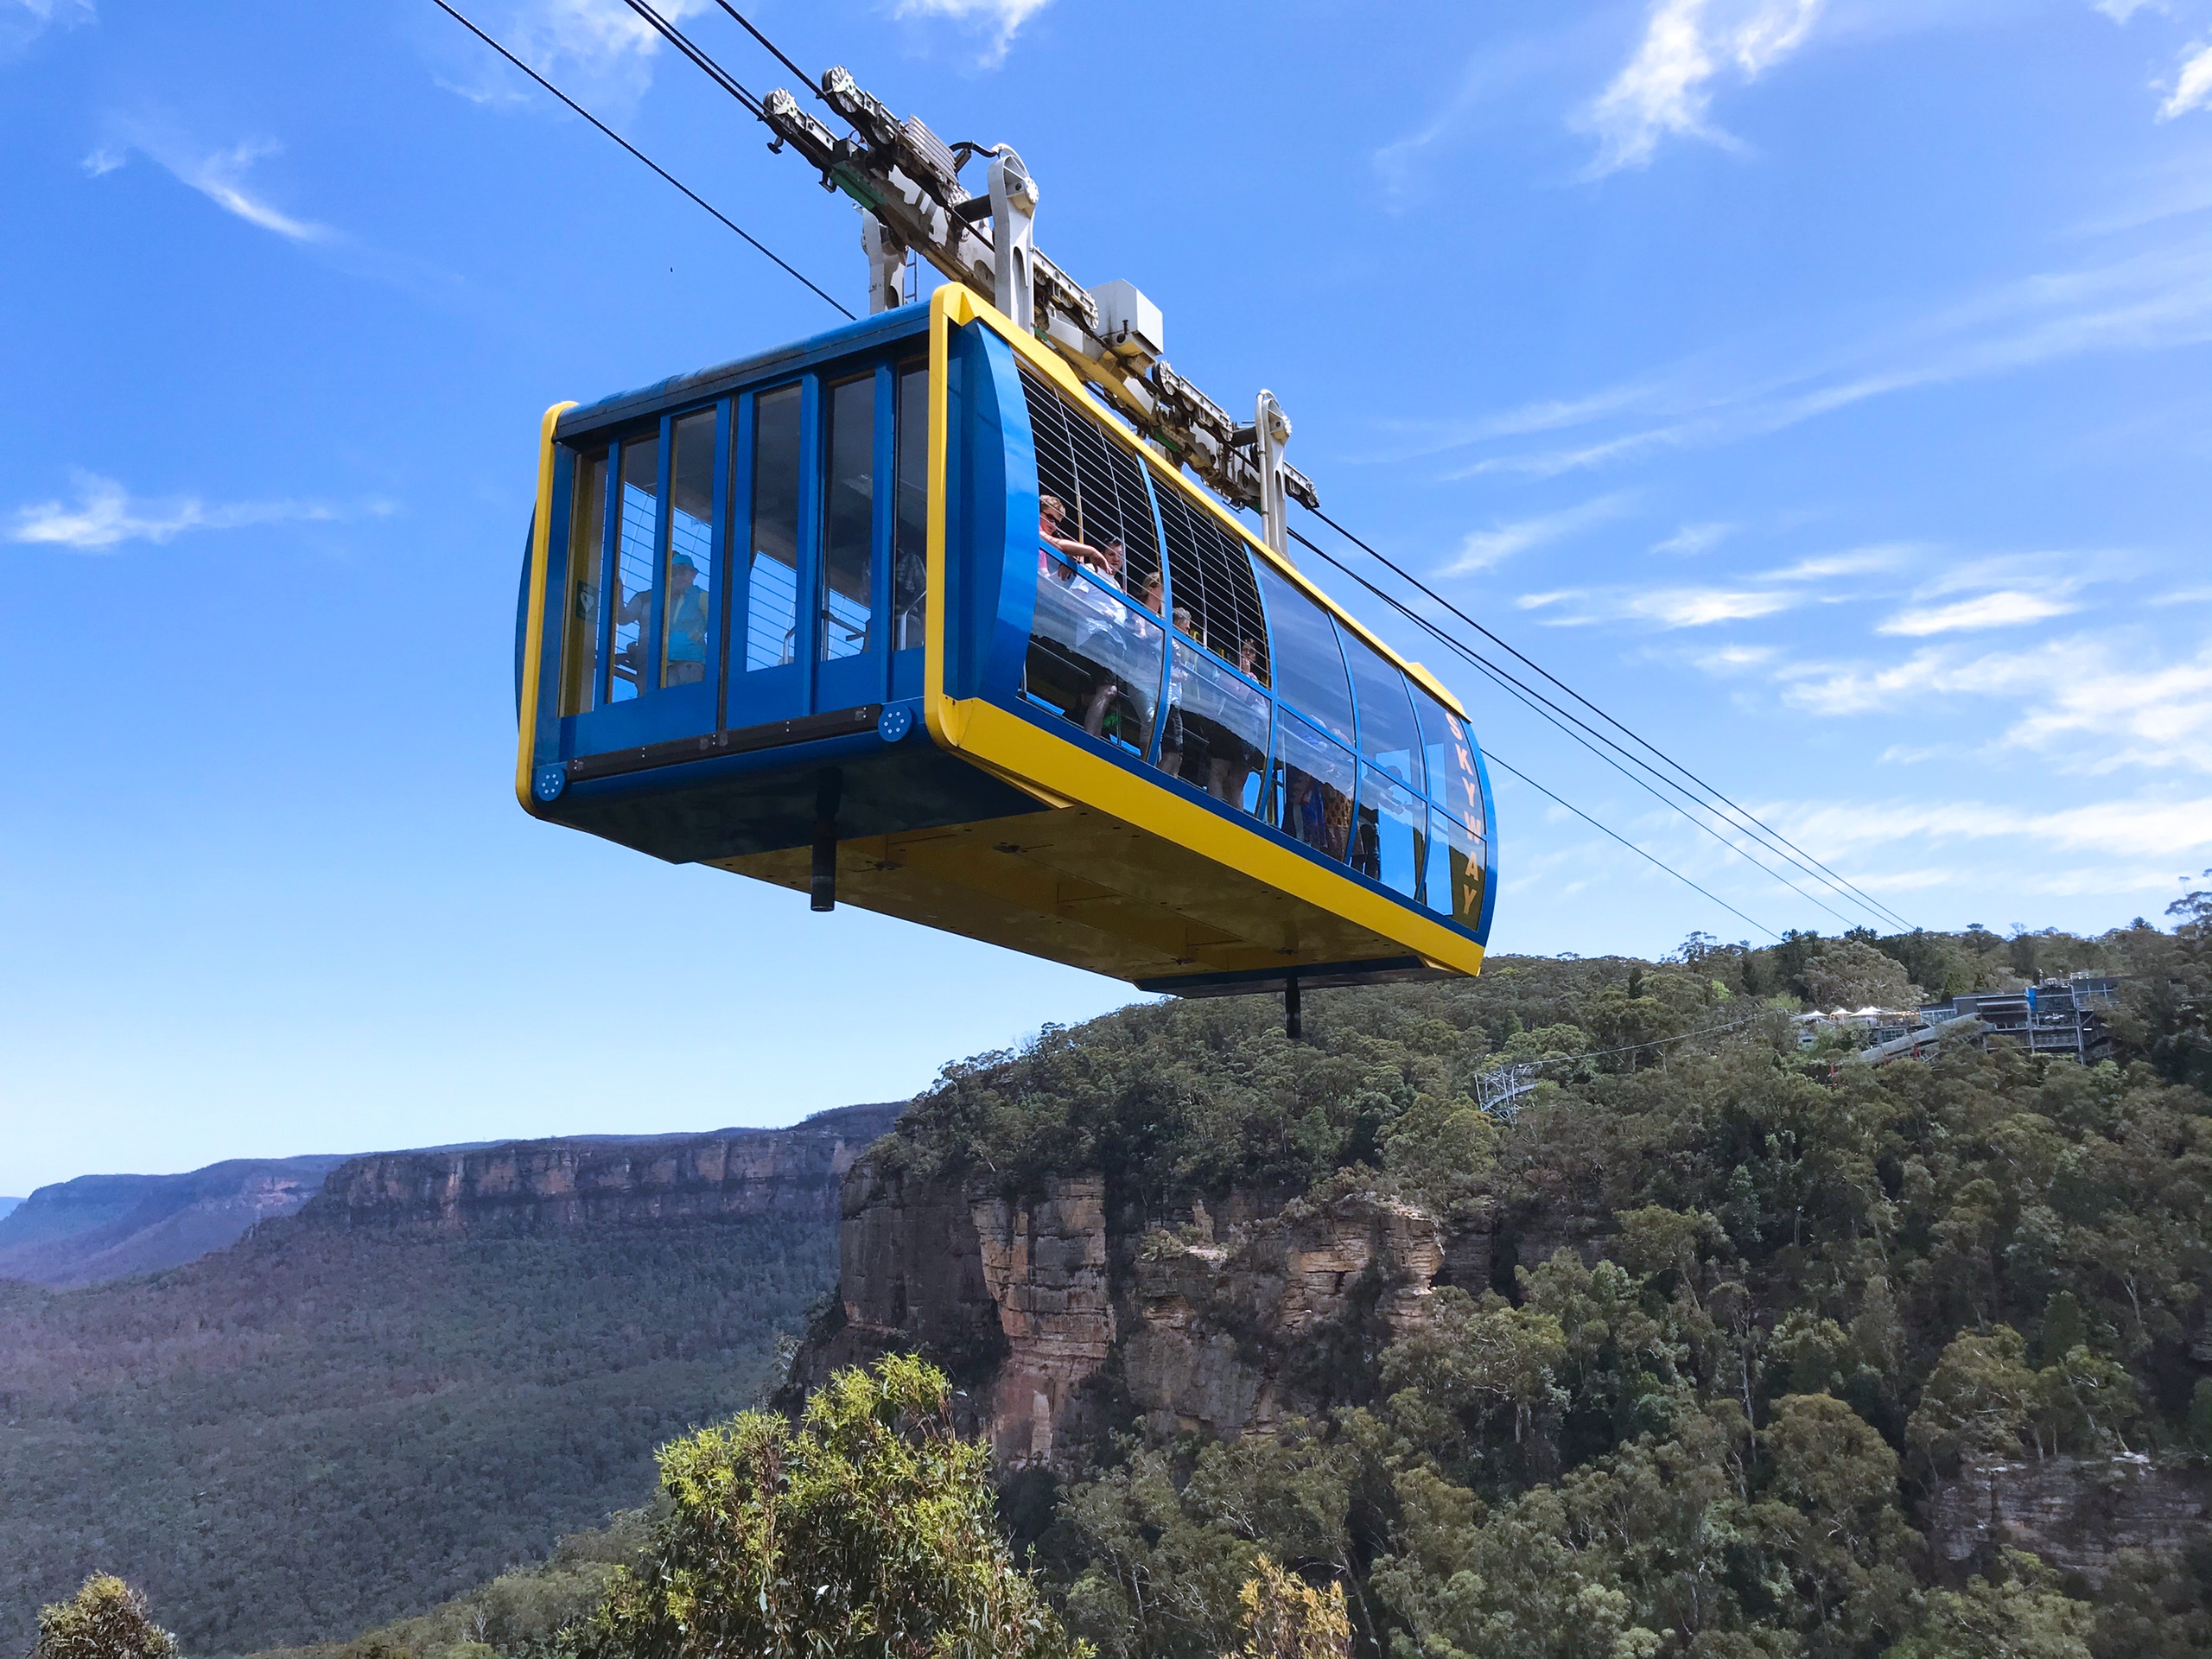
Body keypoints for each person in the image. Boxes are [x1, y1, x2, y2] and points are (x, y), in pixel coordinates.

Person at [660, 554, 709, 684]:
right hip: (669, 664)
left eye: (682, 572)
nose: (677, 577)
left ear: (692, 575)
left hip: (691, 662)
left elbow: (718, 629)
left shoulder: (702, 596)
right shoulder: (669, 602)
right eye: (674, 573)